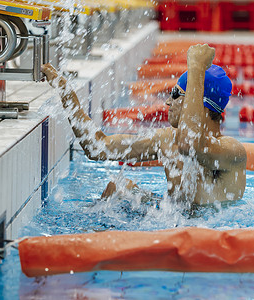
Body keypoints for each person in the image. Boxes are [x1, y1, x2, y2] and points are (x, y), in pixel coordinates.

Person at [41, 44, 247, 205]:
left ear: (198, 102)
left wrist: (195, 68)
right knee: (119, 189)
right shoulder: (168, 139)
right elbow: (97, 148)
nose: (168, 102)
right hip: (173, 221)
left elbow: (190, 145)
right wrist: (65, 91)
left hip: (207, 241)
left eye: (175, 94)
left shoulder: (231, 151)